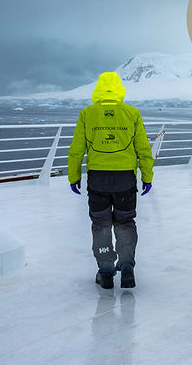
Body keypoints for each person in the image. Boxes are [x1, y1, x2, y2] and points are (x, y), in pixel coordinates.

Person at [68, 71, 154, 289]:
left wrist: (74, 176)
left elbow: (76, 150)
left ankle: (105, 272)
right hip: (125, 178)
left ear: (98, 88)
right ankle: (127, 268)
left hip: (98, 179)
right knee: (125, 222)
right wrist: (147, 176)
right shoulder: (132, 113)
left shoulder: (87, 113)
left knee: (101, 224)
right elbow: (143, 148)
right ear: (119, 89)